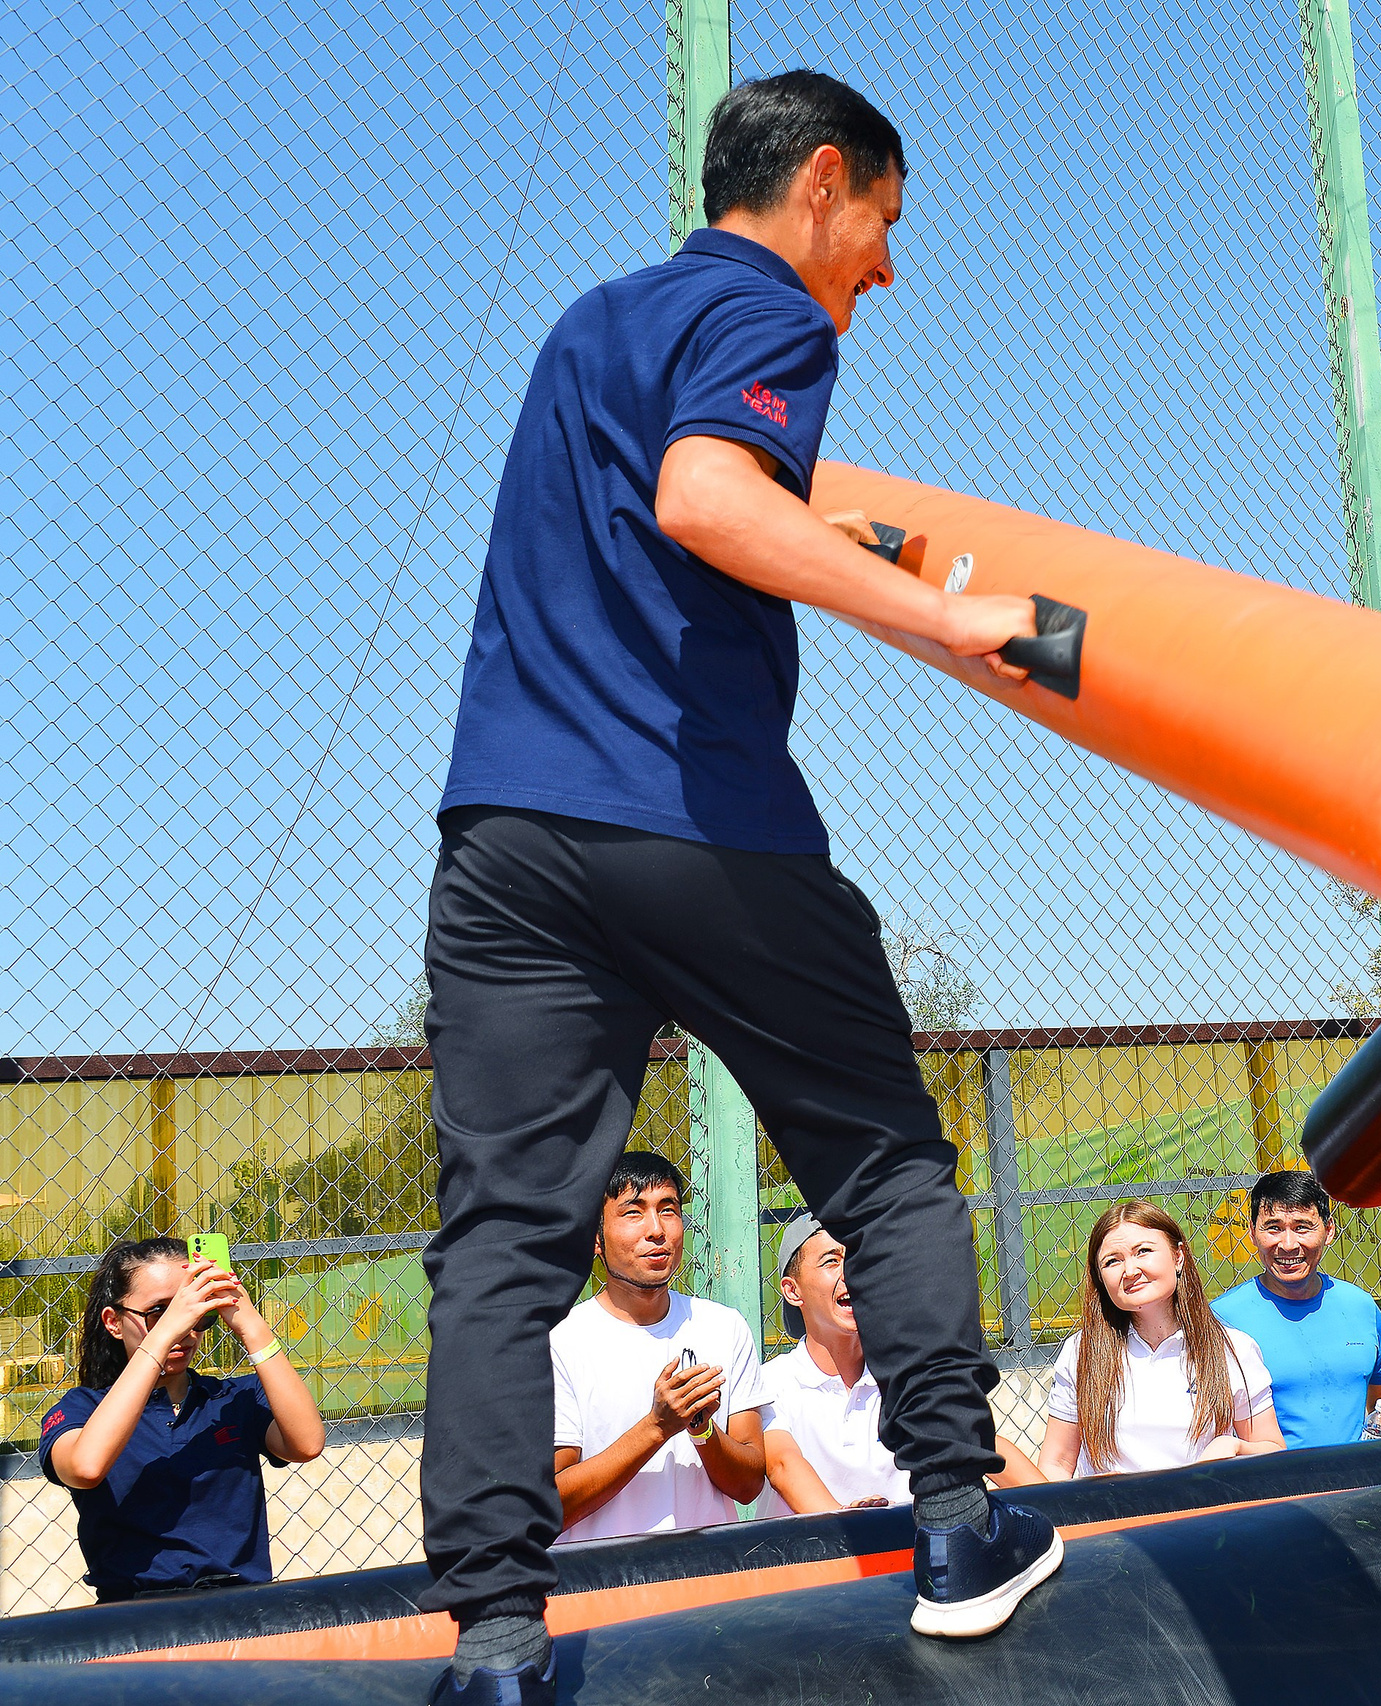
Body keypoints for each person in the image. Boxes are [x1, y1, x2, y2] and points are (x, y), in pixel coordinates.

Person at [418, 70, 1056, 1695]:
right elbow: (707, 496)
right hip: (692, 821)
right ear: (822, 182)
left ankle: (495, 1639)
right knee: (889, 1163)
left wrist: (855, 540)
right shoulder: (771, 311)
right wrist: (949, 619)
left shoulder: (592, 322)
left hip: (506, 834)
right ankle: (962, 1526)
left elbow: (663, 509)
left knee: (501, 1238)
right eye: (886, 228)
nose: (884, 270)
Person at [39, 1238, 326, 1602]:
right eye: (159, 1311)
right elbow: (85, 1467)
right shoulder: (84, 1409)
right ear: (113, 1322)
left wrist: (250, 1325)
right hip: (132, 1618)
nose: (183, 1328)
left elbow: (306, 1443)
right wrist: (160, 1341)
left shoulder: (234, 1398)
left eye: (195, 1312)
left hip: (239, 1609)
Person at [754, 1215, 1043, 1516]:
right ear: (792, 1290)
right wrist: (848, 1527)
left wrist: (1066, 1511)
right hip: (814, 1558)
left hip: (907, 1553)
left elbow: (978, 1445)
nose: (851, 1270)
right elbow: (782, 1464)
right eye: (831, 1260)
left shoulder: (910, 1370)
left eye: (857, 1257)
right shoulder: (771, 1383)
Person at [550, 1153, 772, 1543]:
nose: (656, 1230)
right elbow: (550, 1505)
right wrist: (657, 1426)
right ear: (596, 1238)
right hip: (605, 1587)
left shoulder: (724, 1326)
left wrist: (702, 1429)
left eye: (668, 1210)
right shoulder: (561, 1341)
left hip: (712, 1581)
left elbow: (750, 1483)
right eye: (633, 1213)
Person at [1037, 1203, 1283, 1479]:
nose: (1130, 1270)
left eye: (1143, 1251)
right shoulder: (1081, 1352)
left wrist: (1235, 1446)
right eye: (1112, 1261)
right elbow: (1055, 1465)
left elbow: (1273, 1451)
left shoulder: (1233, 1348)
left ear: (1178, 1257)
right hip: (1112, 1517)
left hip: (1204, 1515)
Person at [1210, 1172, 1381, 1448]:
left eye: (1302, 1227)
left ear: (1329, 1231)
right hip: (1276, 1487)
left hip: (1360, 1485)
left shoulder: (1359, 1306)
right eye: (1273, 1228)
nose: (1288, 1244)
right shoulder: (1221, 1320)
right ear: (1252, 1233)